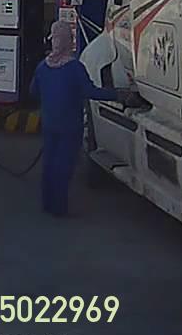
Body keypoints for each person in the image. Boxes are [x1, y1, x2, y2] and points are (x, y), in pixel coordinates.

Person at [31, 20, 121, 218]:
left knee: (49, 163)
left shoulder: (42, 67)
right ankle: (59, 207)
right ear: (68, 41)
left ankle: (48, 203)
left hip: (49, 123)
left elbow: (33, 92)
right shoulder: (75, 67)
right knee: (64, 165)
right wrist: (118, 95)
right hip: (70, 125)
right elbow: (90, 91)